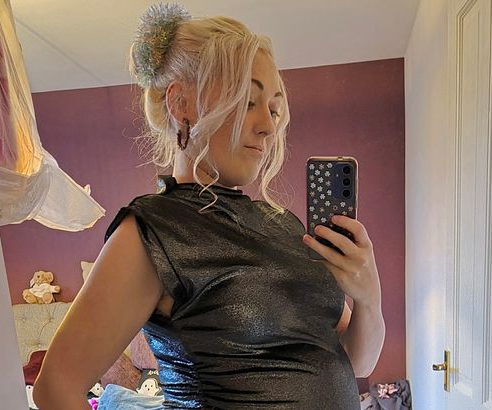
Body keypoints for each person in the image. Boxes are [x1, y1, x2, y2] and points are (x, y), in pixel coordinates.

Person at [33, 3, 385, 409]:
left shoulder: (285, 226)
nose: (268, 126)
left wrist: (369, 298)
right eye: (247, 101)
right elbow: (55, 387)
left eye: (273, 109)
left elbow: (357, 361)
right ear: (182, 103)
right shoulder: (156, 231)